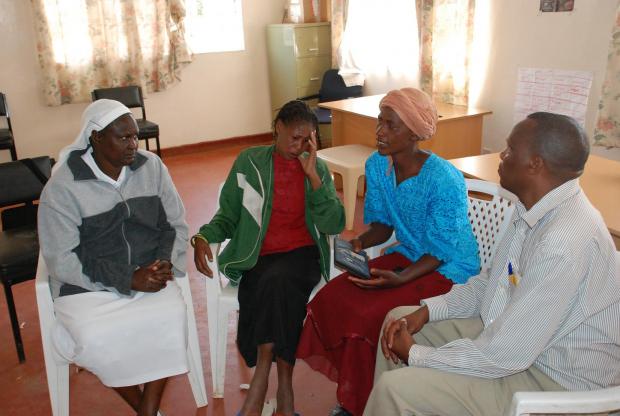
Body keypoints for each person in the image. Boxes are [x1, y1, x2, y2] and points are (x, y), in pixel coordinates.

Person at [367, 112, 620, 416]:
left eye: (511, 149)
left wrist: (417, 355)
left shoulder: (562, 242)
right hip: (514, 335)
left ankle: (396, 400)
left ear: (535, 164)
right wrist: (428, 310)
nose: (501, 155)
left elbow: (505, 355)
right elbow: (491, 282)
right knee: (397, 320)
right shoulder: (534, 205)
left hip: (552, 379)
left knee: (396, 389)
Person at [296, 88, 481, 416]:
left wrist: (398, 280)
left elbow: (440, 251)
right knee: (337, 295)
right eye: (380, 122)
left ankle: (361, 403)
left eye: (390, 126)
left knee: (372, 315)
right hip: (410, 256)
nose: (379, 132)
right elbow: (382, 226)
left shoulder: (444, 179)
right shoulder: (378, 165)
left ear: (414, 133)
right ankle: (357, 393)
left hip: (448, 268)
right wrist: (359, 243)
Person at [192, 100, 345, 416]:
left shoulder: (317, 168)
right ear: (278, 128)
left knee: (280, 281)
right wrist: (204, 236)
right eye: (294, 137)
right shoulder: (250, 162)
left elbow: (334, 224)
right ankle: (284, 389)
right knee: (274, 284)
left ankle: (262, 378)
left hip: (303, 257)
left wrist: (314, 178)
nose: (300, 146)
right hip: (257, 256)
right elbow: (228, 215)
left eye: (307, 139)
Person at [38, 99, 189, 416]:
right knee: (95, 338)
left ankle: (147, 411)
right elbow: (62, 260)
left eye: (135, 136)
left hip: (150, 275)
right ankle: (148, 411)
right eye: (123, 138)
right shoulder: (63, 187)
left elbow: (175, 223)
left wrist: (162, 263)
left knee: (171, 318)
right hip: (87, 287)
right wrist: (126, 277)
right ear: (95, 138)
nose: (134, 145)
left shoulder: (151, 168)